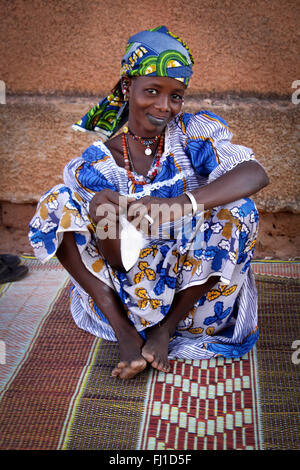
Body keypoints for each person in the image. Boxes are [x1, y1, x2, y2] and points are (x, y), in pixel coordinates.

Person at [29, 26, 269, 379]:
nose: (164, 106)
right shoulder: (96, 166)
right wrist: (107, 218)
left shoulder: (191, 134)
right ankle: (126, 335)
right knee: (57, 202)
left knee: (240, 209)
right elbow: (117, 262)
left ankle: (165, 330)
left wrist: (181, 204)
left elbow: (254, 173)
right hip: (127, 302)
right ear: (128, 87)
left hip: (195, 305)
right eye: (152, 91)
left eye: (176, 96)